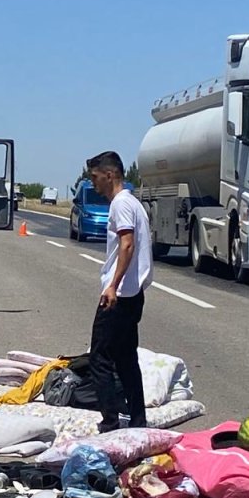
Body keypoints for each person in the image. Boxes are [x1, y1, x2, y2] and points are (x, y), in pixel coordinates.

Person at [85, 150, 153, 432]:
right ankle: (138, 418)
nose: (94, 184)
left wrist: (112, 285)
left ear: (109, 174)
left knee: (99, 358)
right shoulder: (133, 203)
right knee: (126, 358)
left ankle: (110, 420)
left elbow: (127, 244)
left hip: (119, 295)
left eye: (95, 177)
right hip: (133, 294)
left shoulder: (121, 205)